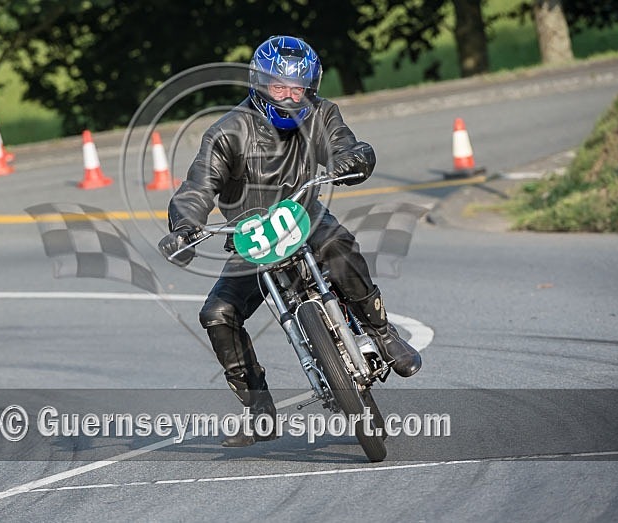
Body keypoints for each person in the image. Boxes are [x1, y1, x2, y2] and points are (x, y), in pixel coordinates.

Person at [159, 35, 421, 447]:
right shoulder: (227, 133)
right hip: (252, 236)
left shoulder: (321, 114)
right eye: (279, 86)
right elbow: (197, 187)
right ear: (260, 85)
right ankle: (258, 406)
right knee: (216, 314)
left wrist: (353, 159)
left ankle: (382, 333)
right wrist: (184, 227)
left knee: (338, 245)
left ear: (310, 89)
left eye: (296, 88)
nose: (287, 95)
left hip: (304, 215)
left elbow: (345, 146)